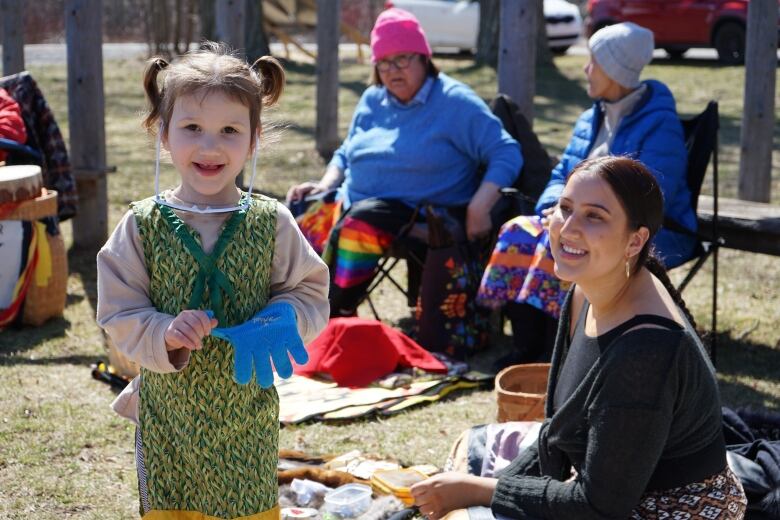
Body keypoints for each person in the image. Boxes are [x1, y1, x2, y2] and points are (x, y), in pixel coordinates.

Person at [411, 156, 747, 520]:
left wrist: (480, 491)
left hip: (667, 509)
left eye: (594, 216)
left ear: (635, 241)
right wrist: (498, 484)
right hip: (604, 486)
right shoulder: (584, 291)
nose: (568, 228)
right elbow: (558, 430)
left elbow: (598, 508)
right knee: (475, 447)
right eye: (565, 208)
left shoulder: (647, 349)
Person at [96, 43, 329, 519]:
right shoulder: (143, 225)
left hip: (247, 421)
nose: (210, 146)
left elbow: (308, 290)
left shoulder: (272, 222)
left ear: (253, 137)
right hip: (168, 424)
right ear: (163, 134)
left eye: (229, 130)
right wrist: (163, 333)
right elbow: (119, 312)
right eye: (191, 128)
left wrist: (284, 316)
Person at [478, 22, 696, 366]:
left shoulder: (659, 124)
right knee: (519, 231)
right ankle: (526, 346)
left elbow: (651, 196)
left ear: (615, 69)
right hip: (582, 217)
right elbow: (560, 175)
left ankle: (558, 348)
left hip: (646, 230)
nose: (585, 69)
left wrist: (578, 216)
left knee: (567, 244)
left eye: (594, 61)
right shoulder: (588, 119)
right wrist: (555, 207)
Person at [287, 7, 522, 318]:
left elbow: (506, 151)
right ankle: (292, 307)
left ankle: (329, 314)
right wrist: (325, 184)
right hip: (354, 202)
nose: (392, 70)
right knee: (293, 213)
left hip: (421, 216)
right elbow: (346, 151)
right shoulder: (373, 98)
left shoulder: (454, 102)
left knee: (361, 223)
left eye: (402, 59)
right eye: (383, 62)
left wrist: (480, 205)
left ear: (424, 57)